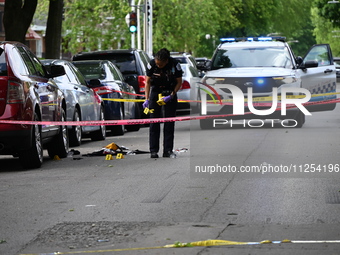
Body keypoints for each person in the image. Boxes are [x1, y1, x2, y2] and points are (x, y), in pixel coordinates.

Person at [143, 48, 183, 158]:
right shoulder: (151, 64)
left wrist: (171, 95)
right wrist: (146, 99)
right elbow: (147, 82)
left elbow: (179, 82)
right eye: (157, 64)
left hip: (170, 91)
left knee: (169, 122)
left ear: (166, 61)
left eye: (161, 65)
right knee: (154, 121)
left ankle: (168, 150)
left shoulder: (175, 64)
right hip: (156, 91)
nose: (158, 66)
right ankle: (153, 150)